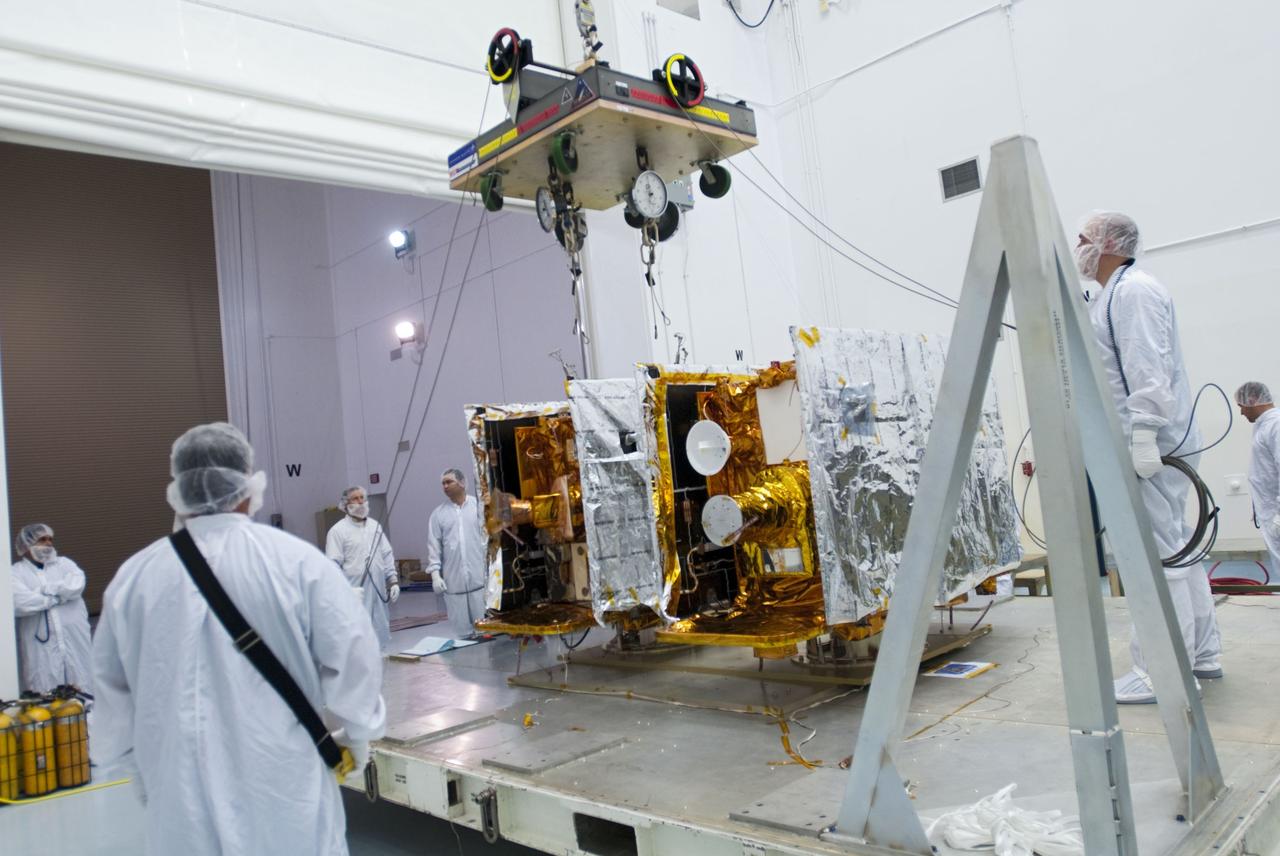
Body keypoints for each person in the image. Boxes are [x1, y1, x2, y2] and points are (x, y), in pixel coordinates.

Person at [92, 423, 385, 856]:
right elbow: (354, 657)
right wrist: (357, 736)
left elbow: (111, 700)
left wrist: (139, 771)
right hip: (284, 792)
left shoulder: (133, 581)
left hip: (178, 800)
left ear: (179, 490)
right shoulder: (296, 562)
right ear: (248, 486)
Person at [1077, 211, 1222, 703]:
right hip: (1160, 439)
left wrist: (1143, 433)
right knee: (1180, 548)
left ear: (1109, 244)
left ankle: (1163, 671)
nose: (1077, 248)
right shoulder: (1116, 293)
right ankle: (1202, 653)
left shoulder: (1133, 291)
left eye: (1083, 240)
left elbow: (1146, 367)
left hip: (1152, 444)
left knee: (1157, 557)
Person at [10, 523, 93, 694]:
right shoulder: (15, 573)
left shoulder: (65, 564)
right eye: (42, 540)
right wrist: (57, 598)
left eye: (50, 539)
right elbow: (20, 602)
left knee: (83, 689)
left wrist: (44, 591)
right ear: (26, 546)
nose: (48, 543)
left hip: (75, 642)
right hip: (41, 650)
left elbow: (76, 585)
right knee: (45, 693)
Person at [325, 485, 398, 648]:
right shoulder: (337, 531)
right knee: (357, 635)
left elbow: (386, 554)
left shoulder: (375, 526)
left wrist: (393, 581)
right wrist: (345, 590)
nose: (361, 502)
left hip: (378, 591)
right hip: (354, 592)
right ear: (345, 504)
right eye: (356, 498)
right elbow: (332, 565)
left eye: (363, 498)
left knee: (380, 630)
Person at [426, 468, 488, 639]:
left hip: (479, 580)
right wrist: (435, 576)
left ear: (461, 483)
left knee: (486, 631)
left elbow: (490, 540)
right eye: (443, 483)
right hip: (454, 584)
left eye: (449, 482)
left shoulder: (478, 507)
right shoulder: (438, 515)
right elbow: (434, 547)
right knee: (462, 635)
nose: (445, 486)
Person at [1236, 382, 1280, 575]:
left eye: (1242, 406)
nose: (1241, 413)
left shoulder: (1275, 425)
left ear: (1252, 400)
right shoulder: (1264, 425)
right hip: (1270, 512)